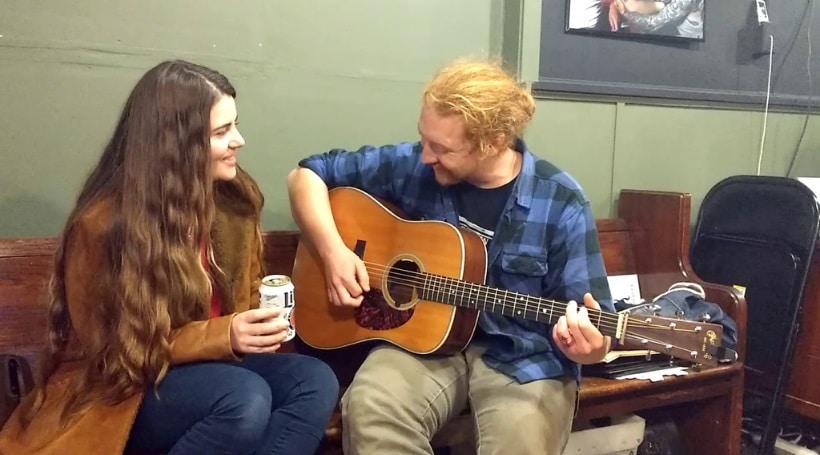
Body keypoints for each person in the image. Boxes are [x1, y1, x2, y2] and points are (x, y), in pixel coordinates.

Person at [0, 60, 339, 455]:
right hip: (125, 390)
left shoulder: (234, 202)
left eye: (235, 124)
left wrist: (257, 325)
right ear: (177, 145)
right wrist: (223, 334)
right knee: (241, 398)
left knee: (313, 381)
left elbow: (244, 295)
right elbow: (115, 354)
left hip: (217, 372)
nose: (239, 140)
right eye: (221, 131)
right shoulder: (104, 227)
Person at [287, 58, 615, 455]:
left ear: (493, 142)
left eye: (442, 148)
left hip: (521, 356)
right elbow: (306, 174)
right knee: (371, 406)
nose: (425, 156)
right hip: (420, 344)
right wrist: (334, 252)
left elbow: (598, 332)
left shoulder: (561, 200)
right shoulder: (415, 165)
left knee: (520, 440)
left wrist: (589, 347)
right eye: (424, 139)